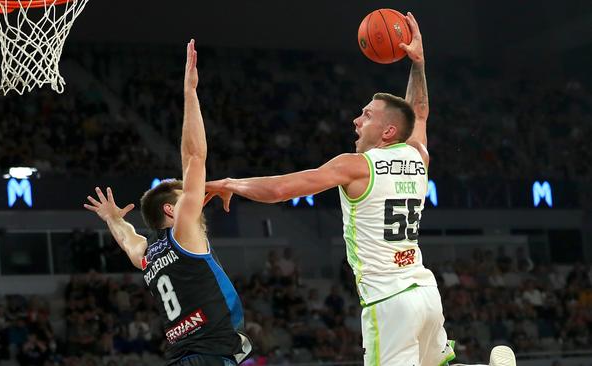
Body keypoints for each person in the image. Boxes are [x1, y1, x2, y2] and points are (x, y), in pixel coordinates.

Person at [205, 13, 515, 366]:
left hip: (389, 302)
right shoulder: (418, 155)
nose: (356, 119)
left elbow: (280, 190)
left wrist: (230, 183)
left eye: (367, 115)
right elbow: (419, 113)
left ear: (387, 132)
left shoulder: (356, 167)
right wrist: (418, 64)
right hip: (426, 293)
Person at [84, 39, 251, 366]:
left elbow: (127, 240)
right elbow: (193, 156)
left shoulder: (147, 255)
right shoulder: (182, 234)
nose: (197, 199)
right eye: (187, 198)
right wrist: (190, 93)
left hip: (182, 358)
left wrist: (112, 219)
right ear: (171, 210)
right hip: (209, 357)